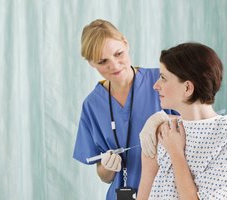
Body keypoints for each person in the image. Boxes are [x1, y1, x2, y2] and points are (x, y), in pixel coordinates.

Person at [73, 19, 174, 200]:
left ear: (126, 44)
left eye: (118, 54)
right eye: (103, 61)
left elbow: (194, 131)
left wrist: (164, 121)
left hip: (166, 193)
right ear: (91, 63)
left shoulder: (161, 81)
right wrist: (107, 167)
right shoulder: (92, 105)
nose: (114, 65)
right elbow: (104, 176)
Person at [137, 42, 227, 199]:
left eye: (163, 78)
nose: (156, 85)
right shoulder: (162, 131)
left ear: (187, 88)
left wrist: (175, 152)